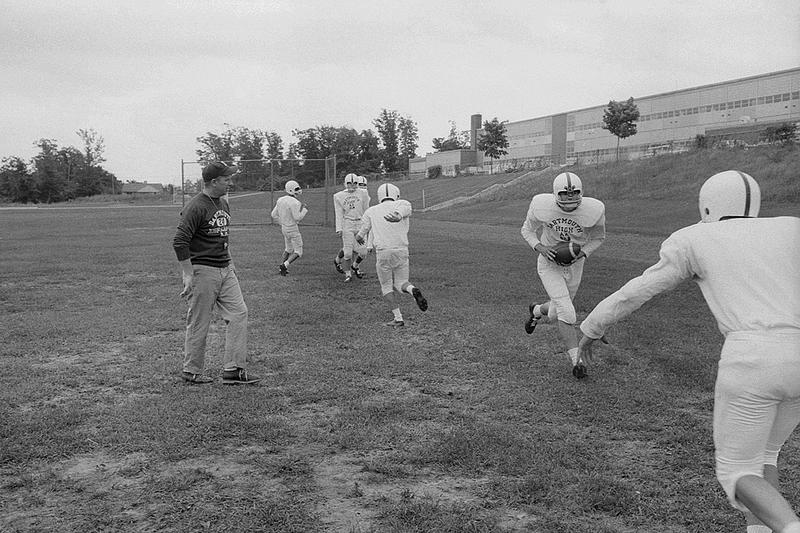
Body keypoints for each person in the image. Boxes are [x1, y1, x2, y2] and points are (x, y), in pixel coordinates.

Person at [578, 171, 800, 533]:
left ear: (707, 204)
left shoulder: (694, 237)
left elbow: (638, 290)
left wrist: (591, 327)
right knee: (764, 457)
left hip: (753, 355)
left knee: (737, 471)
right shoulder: (791, 227)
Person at [172, 161, 260, 385]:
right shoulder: (196, 206)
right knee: (200, 321)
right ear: (214, 182)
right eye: (226, 179)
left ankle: (234, 370)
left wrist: (230, 262)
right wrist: (188, 273)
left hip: (225, 268)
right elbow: (180, 241)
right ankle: (191, 371)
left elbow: (222, 237)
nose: (230, 182)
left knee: (239, 313)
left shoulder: (222, 203)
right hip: (204, 270)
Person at [520, 172, 606, 379]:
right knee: (567, 311)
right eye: (565, 194)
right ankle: (577, 361)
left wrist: (582, 253)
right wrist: (540, 247)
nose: (570, 198)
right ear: (555, 194)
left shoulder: (594, 210)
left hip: (575, 264)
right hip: (549, 263)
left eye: (574, 193)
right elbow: (527, 230)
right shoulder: (541, 206)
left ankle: (537, 310)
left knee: (557, 312)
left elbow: (598, 238)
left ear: (581, 192)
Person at [356, 182, 428, 327]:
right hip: (402, 250)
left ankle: (398, 318)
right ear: (397, 194)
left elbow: (362, 230)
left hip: (383, 252)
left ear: (379, 196)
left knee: (386, 286)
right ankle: (413, 290)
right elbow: (404, 209)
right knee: (401, 283)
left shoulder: (372, 210)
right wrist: (398, 215)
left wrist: (360, 236)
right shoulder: (403, 203)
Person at [332, 173, 370, 282]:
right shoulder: (338, 196)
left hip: (360, 223)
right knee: (348, 252)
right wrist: (339, 228)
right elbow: (338, 213)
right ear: (345, 183)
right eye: (349, 183)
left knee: (363, 252)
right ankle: (348, 274)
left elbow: (366, 210)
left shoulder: (363, 193)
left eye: (354, 183)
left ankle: (355, 266)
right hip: (347, 223)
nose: (352, 186)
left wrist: (366, 225)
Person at [271, 180, 308, 276]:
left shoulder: (280, 200)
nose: (299, 190)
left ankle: (281, 268)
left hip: (284, 228)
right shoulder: (295, 202)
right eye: (297, 189)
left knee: (288, 249)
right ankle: (285, 265)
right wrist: (304, 210)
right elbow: (297, 218)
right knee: (298, 252)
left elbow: (273, 214)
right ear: (291, 190)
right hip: (292, 228)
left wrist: (282, 223)